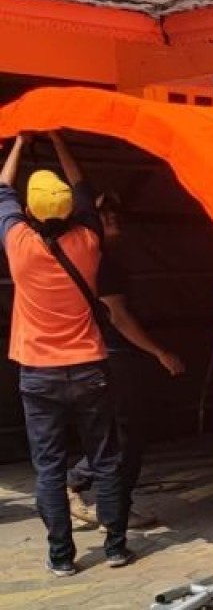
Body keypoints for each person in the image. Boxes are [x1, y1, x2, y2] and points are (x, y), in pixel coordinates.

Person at [0, 131, 134, 576]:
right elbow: (82, 186)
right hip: (89, 368)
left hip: (38, 373)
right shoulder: (88, 241)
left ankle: (62, 557)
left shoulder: (18, 243)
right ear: (70, 209)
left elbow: (2, 187)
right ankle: (116, 548)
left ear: (29, 211)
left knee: (49, 469)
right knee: (106, 460)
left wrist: (20, 143)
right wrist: (59, 141)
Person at [66, 189, 186, 530]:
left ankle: (100, 499)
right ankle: (99, 499)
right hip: (114, 356)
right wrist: (159, 351)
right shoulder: (103, 263)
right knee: (126, 436)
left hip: (99, 355)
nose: (113, 217)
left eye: (115, 213)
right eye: (104, 214)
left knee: (119, 433)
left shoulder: (91, 258)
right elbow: (118, 316)